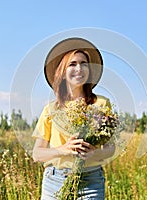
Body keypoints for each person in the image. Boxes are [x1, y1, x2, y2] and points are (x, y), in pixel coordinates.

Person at [32, 37, 115, 200]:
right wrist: (62, 150)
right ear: (62, 72)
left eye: (84, 63)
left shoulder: (101, 104)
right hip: (54, 181)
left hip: (91, 181)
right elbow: (37, 154)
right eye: (72, 64)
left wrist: (94, 153)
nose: (79, 68)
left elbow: (110, 148)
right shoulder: (50, 110)